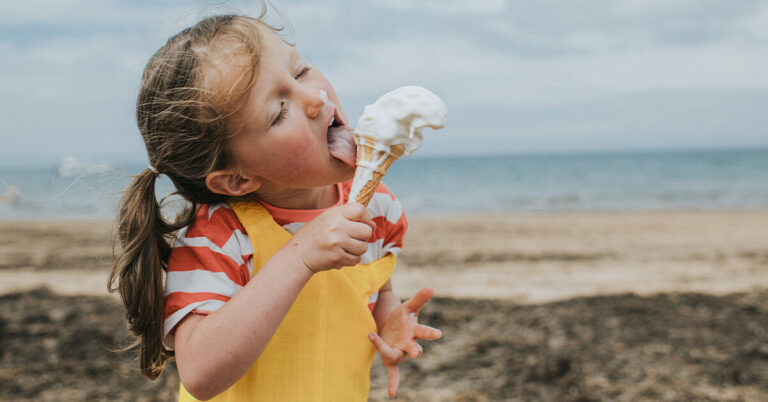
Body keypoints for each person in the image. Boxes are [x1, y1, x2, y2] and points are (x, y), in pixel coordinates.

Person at [109, 12, 442, 402]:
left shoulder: (378, 205)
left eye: (300, 72)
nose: (314, 98)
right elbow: (199, 373)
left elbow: (374, 289)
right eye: (278, 112)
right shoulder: (220, 234)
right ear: (237, 179)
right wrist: (299, 258)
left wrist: (388, 321)